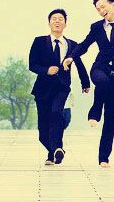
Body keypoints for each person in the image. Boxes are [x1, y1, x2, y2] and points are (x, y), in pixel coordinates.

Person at [63, 0, 114, 168]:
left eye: (103, 7)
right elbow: (84, 45)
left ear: (113, 4)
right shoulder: (97, 27)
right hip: (100, 67)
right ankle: (96, 109)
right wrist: (71, 57)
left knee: (111, 114)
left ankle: (104, 157)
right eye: (98, 9)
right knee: (102, 82)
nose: (101, 11)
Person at [29, 9, 91, 165]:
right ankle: (54, 152)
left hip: (61, 87)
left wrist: (85, 83)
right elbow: (32, 64)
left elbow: (79, 64)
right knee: (43, 131)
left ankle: (57, 147)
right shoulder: (39, 41)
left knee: (56, 113)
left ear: (65, 24)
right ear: (49, 23)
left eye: (60, 19)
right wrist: (46, 70)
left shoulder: (72, 45)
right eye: (54, 19)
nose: (57, 21)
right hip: (42, 89)